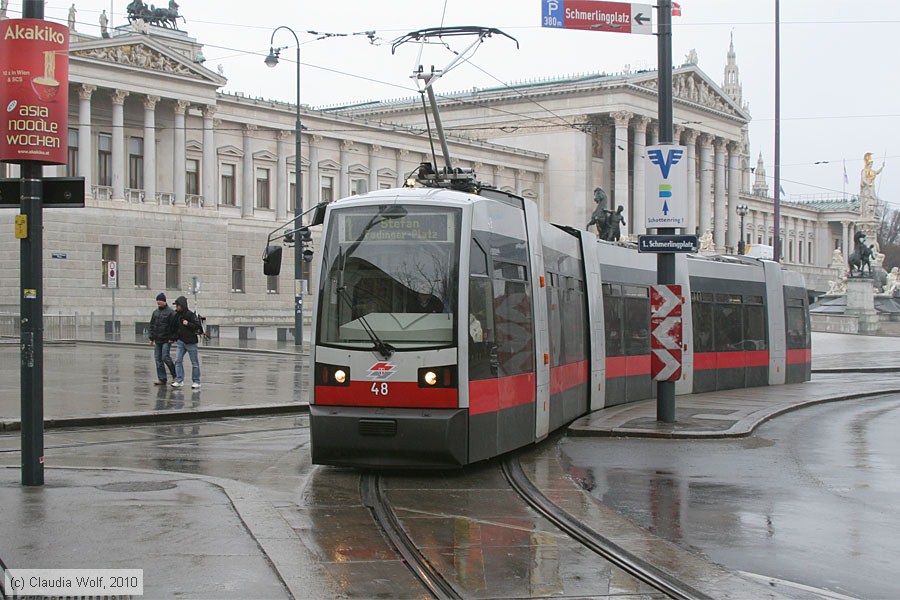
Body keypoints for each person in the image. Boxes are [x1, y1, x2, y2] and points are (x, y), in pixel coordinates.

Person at [172, 295, 202, 389]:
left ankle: (196, 381)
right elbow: (174, 327)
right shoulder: (177, 315)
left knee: (194, 363)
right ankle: (179, 380)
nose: (176, 307)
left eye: (177, 305)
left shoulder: (190, 315)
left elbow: (197, 326)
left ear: (182, 305)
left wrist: (188, 323)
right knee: (178, 360)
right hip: (181, 342)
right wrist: (174, 337)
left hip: (191, 342)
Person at [148, 292, 177, 385]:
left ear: (164, 301)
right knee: (158, 360)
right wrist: (151, 338)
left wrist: (172, 338)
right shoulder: (155, 312)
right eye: (157, 301)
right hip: (157, 339)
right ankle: (162, 378)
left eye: (160, 301)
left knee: (165, 357)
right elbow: (152, 325)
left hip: (166, 339)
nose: (158, 302)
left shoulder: (171, 312)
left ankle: (175, 375)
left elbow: (173, 327)